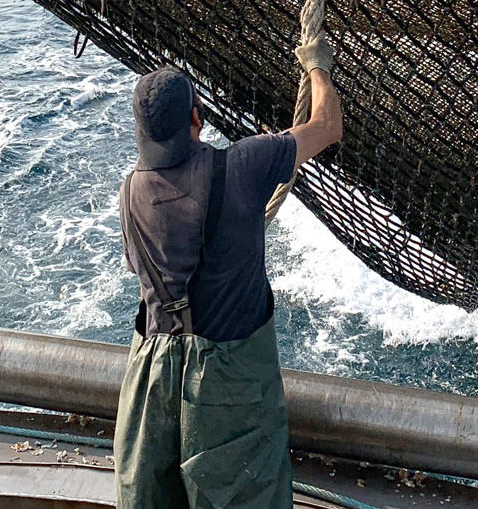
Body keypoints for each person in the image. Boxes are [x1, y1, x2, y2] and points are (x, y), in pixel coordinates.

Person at [112, 47, 342, 509]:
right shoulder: (245, 164)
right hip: (227, 383)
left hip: (152, 380)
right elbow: (327, 125)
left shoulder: (130, 191)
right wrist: (317, 64)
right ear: (196, 119)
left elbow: (140, 267)